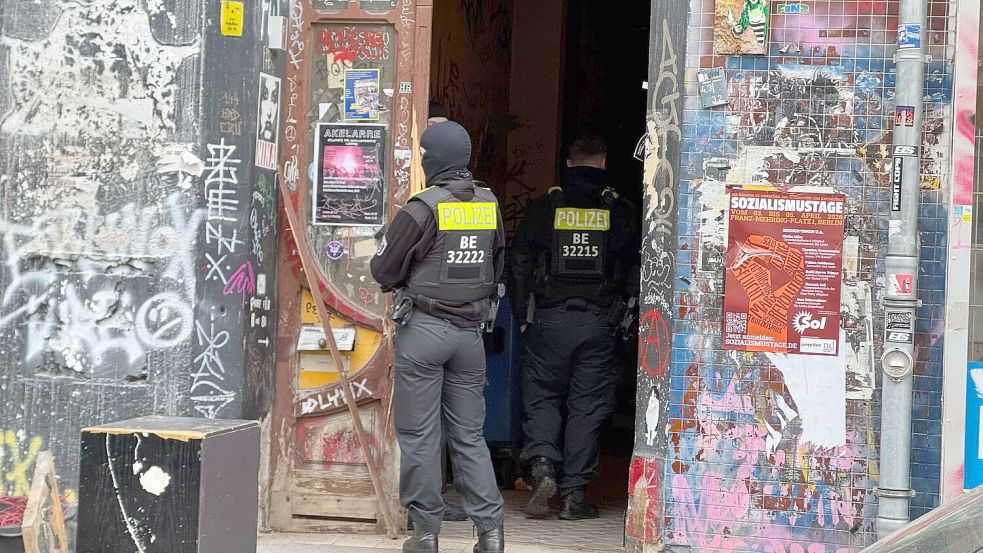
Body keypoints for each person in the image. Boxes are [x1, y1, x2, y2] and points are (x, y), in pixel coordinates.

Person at [371, 121, 506, 553]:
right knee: (469, 435)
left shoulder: (422, 207)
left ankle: (425, 534)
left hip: (424, 333)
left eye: (424, 154)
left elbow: (384, 270)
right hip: (470, 337)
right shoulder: (489, 203)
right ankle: (491, 533)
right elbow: (496, 263)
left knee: (420, 435)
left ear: (434, 159)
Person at [509, 135, 640, 520]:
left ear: (567, 164)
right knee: (587, 408)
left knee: (543, 397)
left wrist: (522, 315)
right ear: (603, 165)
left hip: (548, 322)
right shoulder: (623, 211)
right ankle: (574, 496)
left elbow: (520, 262)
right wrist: (629, 317)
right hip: (600, 323)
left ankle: (544, 468)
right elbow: (637, 266)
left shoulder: (544, 208)